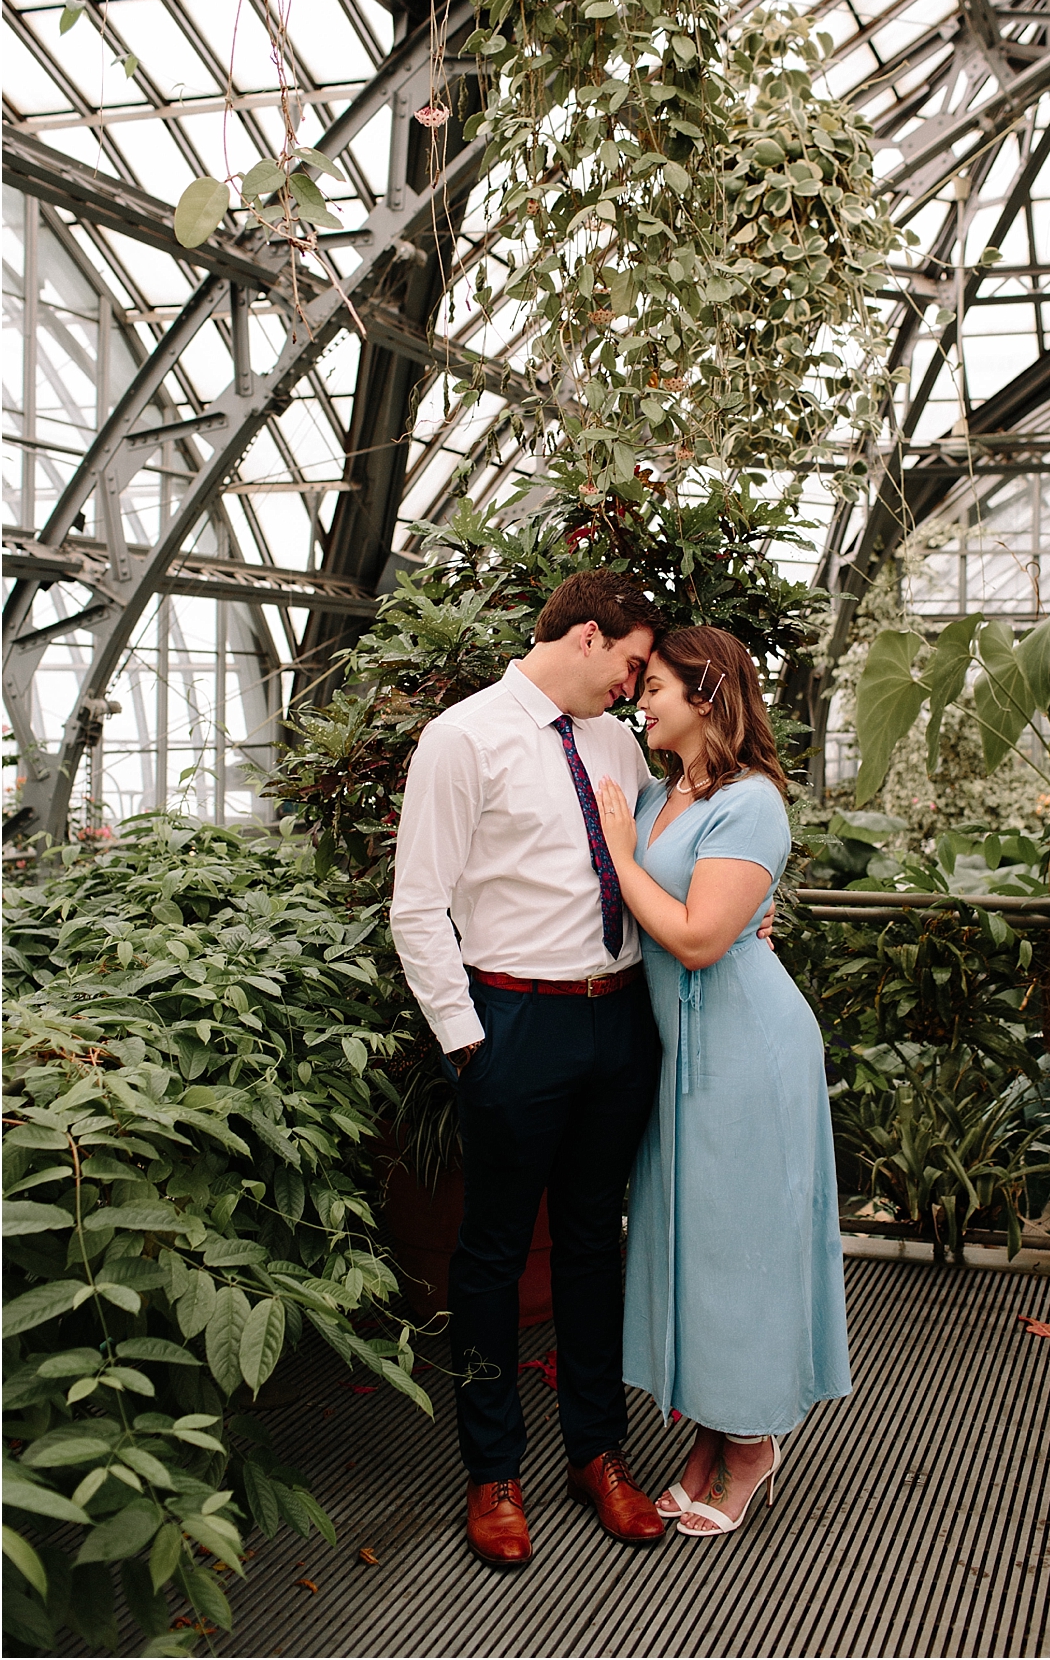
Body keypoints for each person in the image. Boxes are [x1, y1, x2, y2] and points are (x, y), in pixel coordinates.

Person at [390, 569, 671, 1568]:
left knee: (597, 1243)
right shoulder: (462, 738)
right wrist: (468, 1041)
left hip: (616, 1022)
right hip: (512, 1022)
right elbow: (418, 904)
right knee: (492, 1257)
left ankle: (597, 1454)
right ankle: (491, 1469)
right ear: (589, 637)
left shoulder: (615, 740)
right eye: (632, 663)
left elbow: (649, 867)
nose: (636, 687)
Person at [591, 624, 852, 1542]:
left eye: (656, 684)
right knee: (695, 1248)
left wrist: (623, 860)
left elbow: (700, 937)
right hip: (685, 1060)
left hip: (748, 1052)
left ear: (706, 695)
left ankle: (752, 1449)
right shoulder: (662, 791)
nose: (642, 698)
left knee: (742, 1249)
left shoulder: (754, 804)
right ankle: (714, 1431)